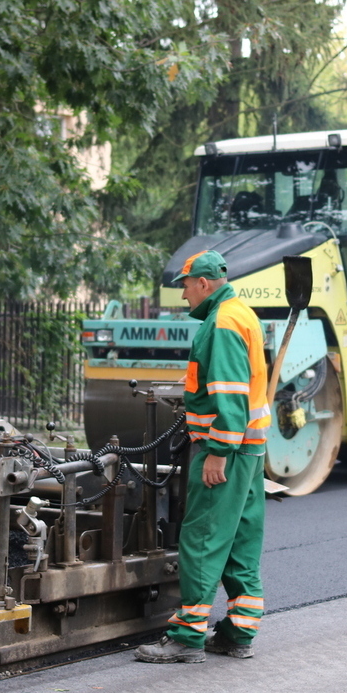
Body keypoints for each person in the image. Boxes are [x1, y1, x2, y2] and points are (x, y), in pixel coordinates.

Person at [135, 250, 270, 664]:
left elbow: (230, 396)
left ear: (205, 283)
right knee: (239, 542)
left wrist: (216, 453)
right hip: (251, 451)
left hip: (227, 451)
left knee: (203, 538)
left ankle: (187, 638)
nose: (184, 295)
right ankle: (238, 633)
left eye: (187, 286)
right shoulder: (241, 313)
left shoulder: (224, 323)